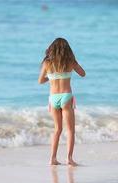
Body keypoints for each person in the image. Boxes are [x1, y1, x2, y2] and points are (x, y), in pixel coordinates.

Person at [38, 38, 85, 166]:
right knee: (70, 130)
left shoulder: (47, 63)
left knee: (57, 129)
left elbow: (40, 81)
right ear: (67, 49)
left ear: (52, 49)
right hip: (66, 97)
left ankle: (52, 158)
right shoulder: (70, 62)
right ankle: (69, 158)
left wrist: (52, 77)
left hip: (53, 98)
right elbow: (83, 73)